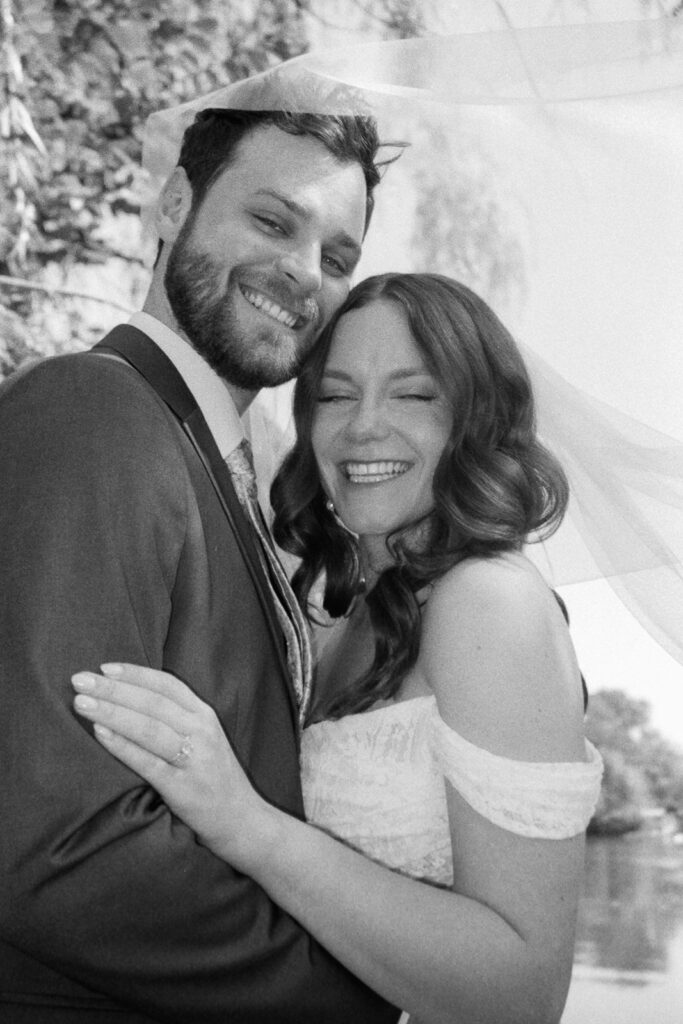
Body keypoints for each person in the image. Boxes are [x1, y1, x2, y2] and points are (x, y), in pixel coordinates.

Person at [71, 273, 604, 1024]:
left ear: (476, 420)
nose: (362, 428)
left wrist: (245, 824)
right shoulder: (346, 606)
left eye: (413, 395)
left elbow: (521, 994)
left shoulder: (491, 604)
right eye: (336, 393)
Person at [0, 108, 401, 1022]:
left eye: (338, 258)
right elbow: (60, 844)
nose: (304, 273)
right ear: (174, 202)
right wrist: (356, 991)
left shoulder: (213, 470)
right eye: (272, 222)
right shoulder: (88, 413)